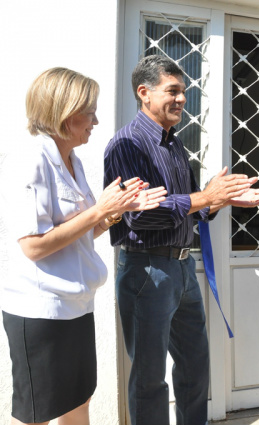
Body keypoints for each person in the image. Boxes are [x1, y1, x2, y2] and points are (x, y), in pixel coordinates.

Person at [103, 55, 259, 425]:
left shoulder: (175, 146)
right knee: (149, 379)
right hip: (146, 271)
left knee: (195, 368)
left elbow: (194, 206)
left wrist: (223, 199)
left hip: (181, 268)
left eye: (184, 92)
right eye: (173, 91)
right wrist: (205, 198)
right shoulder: (126, 145)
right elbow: (139, 215)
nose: (181, 99)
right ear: (144, 93)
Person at [0, 68, 166, 425]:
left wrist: (114, 213)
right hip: (40, 311)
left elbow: (79, 233)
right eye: (89, 111)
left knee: (78, 400)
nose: (96, 120)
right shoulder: (32, 160)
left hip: (76, 306)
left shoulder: (71, 161)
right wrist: (99, 210)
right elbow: (33, 246)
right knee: (38, 413)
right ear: (65, 111)